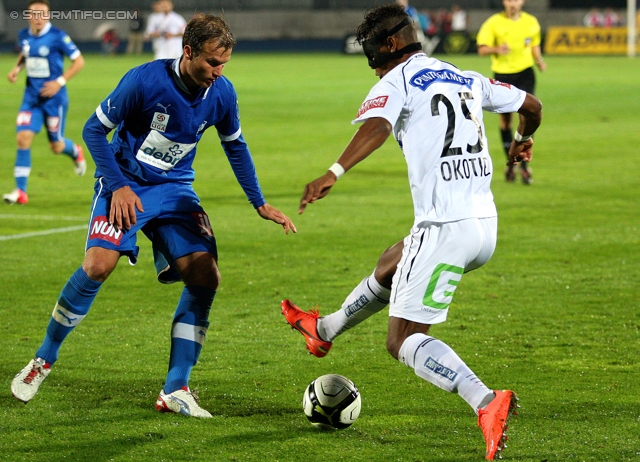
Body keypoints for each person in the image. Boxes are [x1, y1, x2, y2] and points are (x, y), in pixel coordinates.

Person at [280, 4, 542, 460]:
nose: (372, 64)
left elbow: (378, 126)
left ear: (394, 44)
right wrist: (521, 140)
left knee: (401, 340)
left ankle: (485, 401)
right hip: (485, 226)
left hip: (443, 227)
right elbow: (532, 106)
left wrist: (333, 172)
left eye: (374, 53)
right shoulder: (465, 77)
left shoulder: (396, 81)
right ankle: (323, 330)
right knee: (393, 260)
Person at [11, 13, 296, 418]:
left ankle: (176, 388)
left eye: (224, 64)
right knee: (97, 266)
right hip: (124, 183)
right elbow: (94, 130)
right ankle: (43, 359)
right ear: (188, 52)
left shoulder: (222, 93)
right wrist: (118, 186)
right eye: (212, 63)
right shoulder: (143, 80)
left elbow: (236, 145)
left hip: (176, 191)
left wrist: (259, 202)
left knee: (205, 275)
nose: (218, 72)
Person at [3, 0, 86, 205]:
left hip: (54, 100)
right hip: (31, 99)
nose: (38, 17)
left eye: (42, 13)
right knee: (23, 138)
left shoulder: (58, 37)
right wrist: (16, 69)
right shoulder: (24, 35)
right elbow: (25, 53)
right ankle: (21, 191)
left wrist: (59, 82)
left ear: (48, 15)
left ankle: (75, 151)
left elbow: (79, 61)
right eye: (34, 13)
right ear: (28, 16)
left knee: (56, 146)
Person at [476, 0, 545, 185]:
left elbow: (534, 45)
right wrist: (497, 49)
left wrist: (538, 60)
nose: (512, 3)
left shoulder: (531, 22)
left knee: (527, 116)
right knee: (506, 121)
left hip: (525, 73)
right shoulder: (493, 23)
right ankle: (511, 162)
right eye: (509, 0)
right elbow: (482, 49)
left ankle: (523, 166)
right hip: (503, 76)